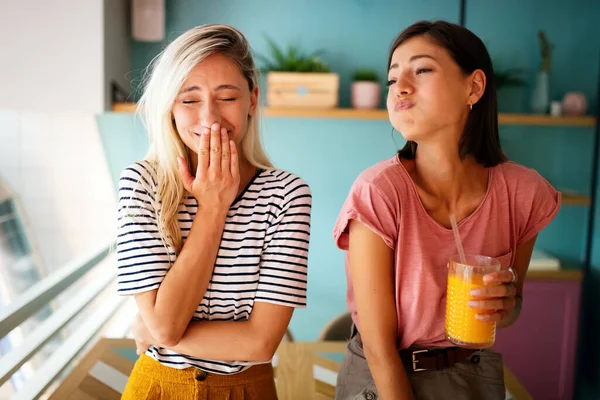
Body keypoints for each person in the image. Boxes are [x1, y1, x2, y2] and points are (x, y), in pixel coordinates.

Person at [333, 20, 560, 400]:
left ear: (473, 87)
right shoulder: (378, 192)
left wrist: (505, 306)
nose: (400, 87)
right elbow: (378, 346)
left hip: (471, 375)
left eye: (421, 69)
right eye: (392, 79)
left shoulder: (523, 193)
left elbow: (512, 307)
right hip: (381, 378)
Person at [116, 24, 312, 399]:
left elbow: (258, 344)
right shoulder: (141, 184)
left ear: (252, 100)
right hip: (156, 387)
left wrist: (157, 331)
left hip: (246, 389)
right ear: (169, 106)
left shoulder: (287, 195)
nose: (209, 118)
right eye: (189, 100)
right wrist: (213, 206)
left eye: (227, 97)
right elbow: (165, 325)